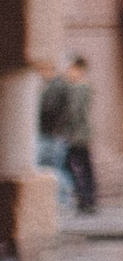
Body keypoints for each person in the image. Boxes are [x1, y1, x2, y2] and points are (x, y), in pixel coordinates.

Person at [39, 60, 96, 218]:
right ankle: (86, 200)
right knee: (81, 168)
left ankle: (82, 200)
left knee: (72, 168)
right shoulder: (77, 87)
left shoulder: (79, 88)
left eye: (71, 69)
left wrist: (66, 132)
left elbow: (74, 113)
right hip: (77, 134)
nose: (69, 72)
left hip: (75, 135)